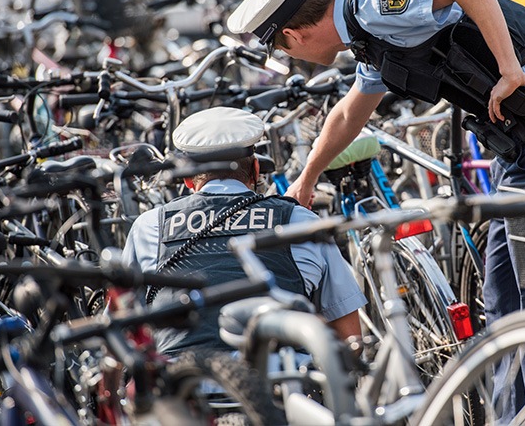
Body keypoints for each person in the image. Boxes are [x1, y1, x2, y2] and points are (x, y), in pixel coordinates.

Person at [228, 0, 525, 413]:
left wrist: (509, 70)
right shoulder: (366, 35)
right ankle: (515, 418)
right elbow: (348, 113)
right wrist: (306, 179)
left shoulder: (372, 7)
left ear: (292, 35)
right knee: (504, 297)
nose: (293, 59)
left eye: (285, 51)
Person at [122, 106, 366, 355]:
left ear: (187, 180)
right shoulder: (300, 220)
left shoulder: (149, 225)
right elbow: (350, 335)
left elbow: (123, 329)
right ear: (256, 170)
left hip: (181, 386)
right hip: (285, 384)